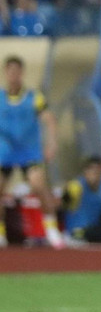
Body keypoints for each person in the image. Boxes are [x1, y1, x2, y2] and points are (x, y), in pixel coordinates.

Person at [0, 54, 64, 248]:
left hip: (29, 151)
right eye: (10, 71)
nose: (14, 75)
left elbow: (49, 119)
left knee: (39, 186)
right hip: (6, 152)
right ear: (5, 73)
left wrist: (52, 143)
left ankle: (51, 229)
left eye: (17, 71)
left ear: (22, 73)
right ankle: (1, 234)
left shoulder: (33, 97)